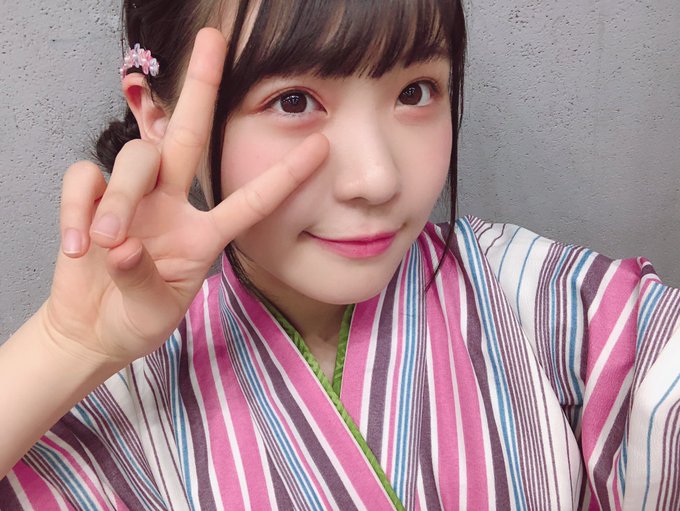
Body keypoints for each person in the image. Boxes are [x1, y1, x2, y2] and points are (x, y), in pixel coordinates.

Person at [0, 0, 678, 509]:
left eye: (415, 92)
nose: (378, 178)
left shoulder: (552, 306)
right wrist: (66, 346)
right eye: (294, 101)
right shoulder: (109, 396)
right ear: (159, 116)